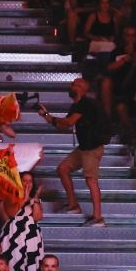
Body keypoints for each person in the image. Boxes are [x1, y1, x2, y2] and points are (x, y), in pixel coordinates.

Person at [41, 75, 109, 225]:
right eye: (72, 84)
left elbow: (69, 121)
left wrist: (52, 117)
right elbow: (64, 125)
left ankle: (98, 217)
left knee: (91, 180)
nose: (72, 87)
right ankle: (73, 205)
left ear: (83, 89)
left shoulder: (86, 103)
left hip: (92, 148)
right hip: (84, 148)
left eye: (76, 85)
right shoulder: (77, 105)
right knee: (63, 168)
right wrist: (46, 115)